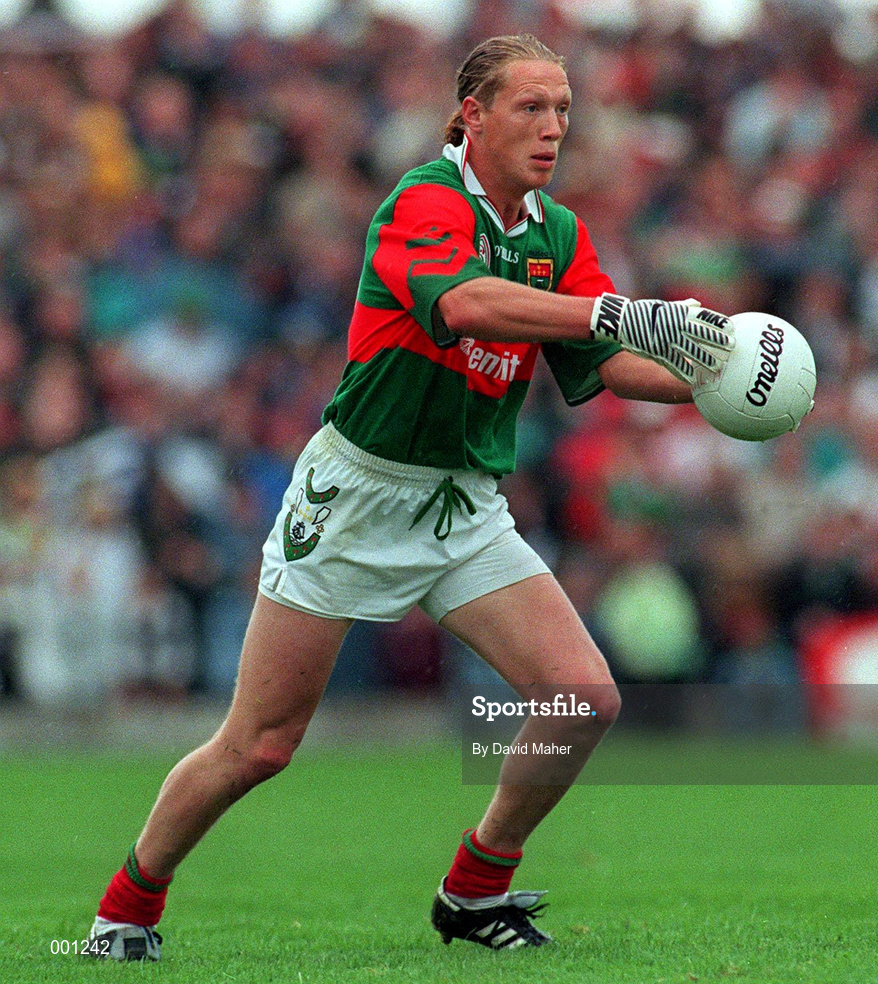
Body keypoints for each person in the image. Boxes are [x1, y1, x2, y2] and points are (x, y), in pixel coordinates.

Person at [86, 34, 734, 960]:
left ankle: (475, 893)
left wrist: (719, 381)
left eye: (562, 111)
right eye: (530, 108)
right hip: (355, 495)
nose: (553, 129)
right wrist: (612, 312)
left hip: (462, 505)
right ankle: (127, 906)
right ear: (472, 115)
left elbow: (607, 361)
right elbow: (466, 305)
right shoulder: (423, 200)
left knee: (582, 697)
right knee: (261, 745)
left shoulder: (558, 233)